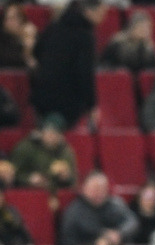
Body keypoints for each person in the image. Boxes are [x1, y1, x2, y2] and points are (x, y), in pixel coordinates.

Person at [30, 0, 104, 129]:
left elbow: (36, 51)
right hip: (67, 101)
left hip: (42, 96)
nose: (103, 17)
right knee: (58, 144)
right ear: (89, 12)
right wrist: (91, 105)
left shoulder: (54, 27)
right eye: (101, 12)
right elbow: (85, 74)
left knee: (43, 140)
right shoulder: (85, 36)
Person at [60, 171, 139, 245]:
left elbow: (132, 222)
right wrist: (103, 236)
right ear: (84, 189)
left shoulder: (115, 204)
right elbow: (69, 238)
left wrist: (119, 234)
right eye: (95, 189)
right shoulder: (75, 211)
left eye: (103, 188)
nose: (99, 192)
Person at [10, 113, 77, 190]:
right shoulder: (26, 147)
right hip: (27, 192)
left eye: (55, 134)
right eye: (48, 132)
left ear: (61, 136)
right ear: (41, 132)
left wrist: (66, 178)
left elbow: (73, 182)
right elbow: (12, 173)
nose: (51, 137)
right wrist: (28, 178)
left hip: (54, 193)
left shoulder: (66, 152)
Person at [0, 3, 35, 69]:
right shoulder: (3, 42)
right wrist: (27, 48)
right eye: (9, 18)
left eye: (16, 17)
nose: (12, 22)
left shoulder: (33, 36)